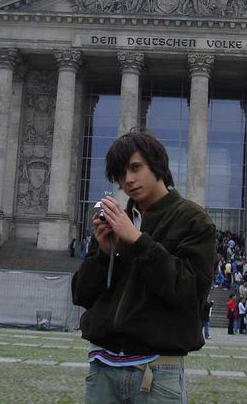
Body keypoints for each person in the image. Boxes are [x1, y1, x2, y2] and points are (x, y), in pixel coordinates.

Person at [71, 131, 216, 403]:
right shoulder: (115, 220)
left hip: (159, 372)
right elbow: (82, 295)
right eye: (120, 174)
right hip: (103, 368)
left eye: (135, 168)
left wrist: (138, 241)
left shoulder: (194, 220)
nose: (128, 180)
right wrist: (103, 255)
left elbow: (189, 292)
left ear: (157, 165)